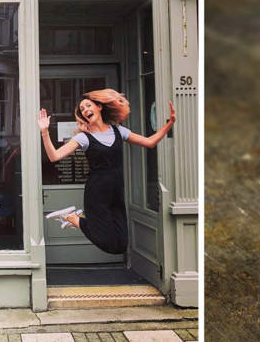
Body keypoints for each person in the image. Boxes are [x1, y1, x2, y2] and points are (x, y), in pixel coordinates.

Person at [37, 88, 175, 254]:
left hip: (116, 193)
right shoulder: (83, 138)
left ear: (99, 107)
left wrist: (170, 123)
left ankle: (75, 218)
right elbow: (54, 156)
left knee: (121, 244)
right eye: (82, 109)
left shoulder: (118, 131)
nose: (86, 110)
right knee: (106, 242)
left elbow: (150, 142)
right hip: (96, 194)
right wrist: (45, 132)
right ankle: (73, 218)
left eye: (88, 106)